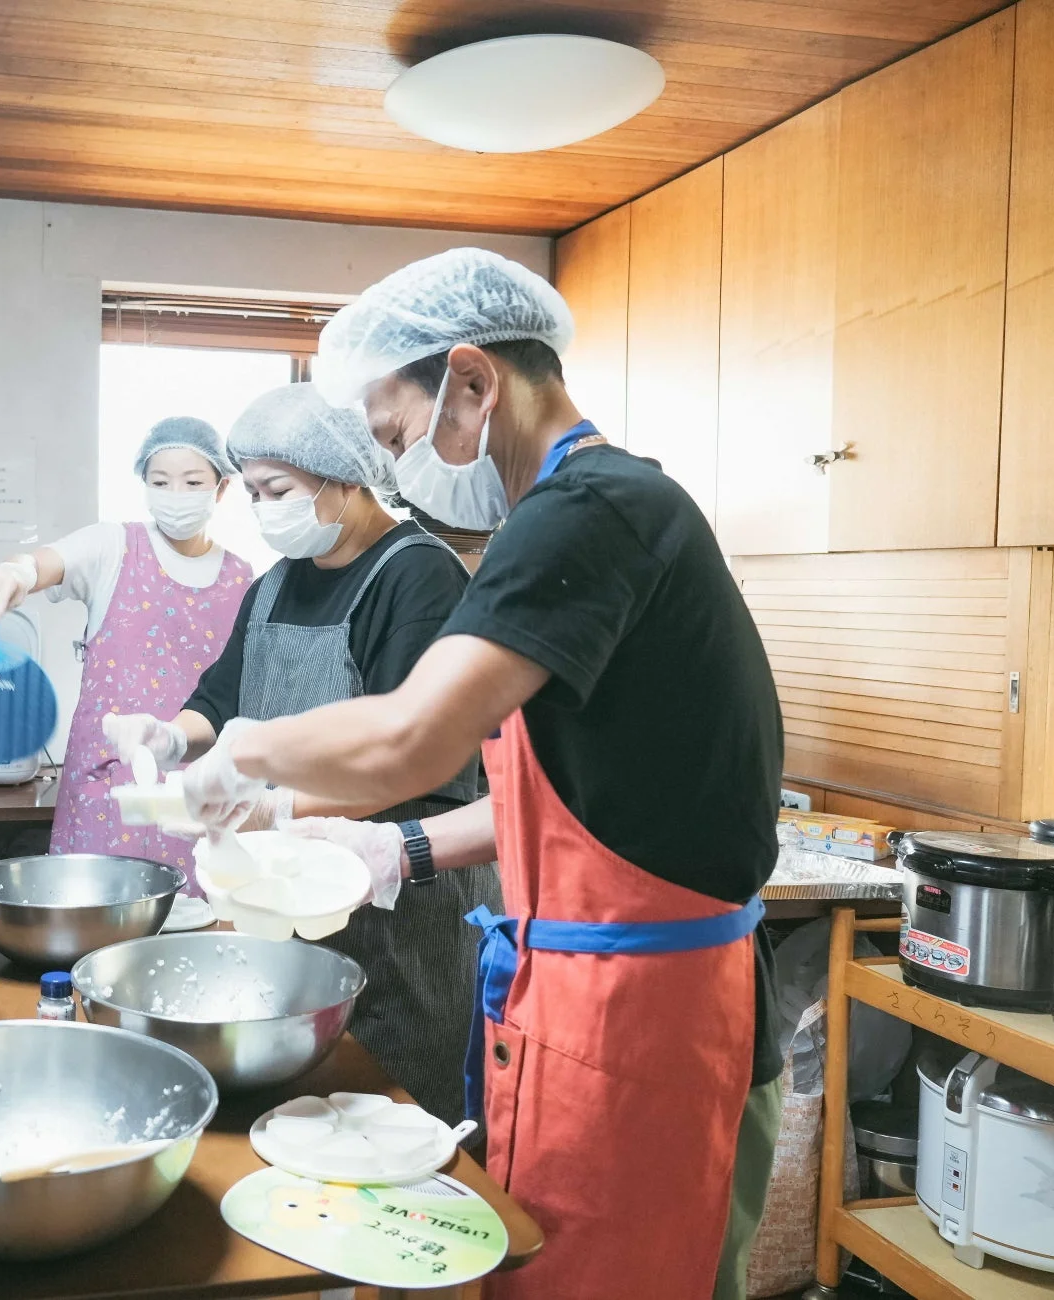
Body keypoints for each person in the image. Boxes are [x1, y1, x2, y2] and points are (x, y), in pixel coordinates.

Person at [179, 249, 784, 1300]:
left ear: (471, 381)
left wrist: (244, 753)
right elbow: (567, 805)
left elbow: (419, 740)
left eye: (397, 431)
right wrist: (394, 845)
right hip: (586, 1000)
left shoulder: (594, 509)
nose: (399, 460)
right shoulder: (563, 518)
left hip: (652, 1024)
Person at [103, 383, 494, 1124]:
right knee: (307, 1113)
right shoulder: (277, 582)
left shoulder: (418, 576)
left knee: (397, 1111)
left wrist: (273, 805)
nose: (260, 509)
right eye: (249, 492)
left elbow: (407, 757)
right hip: (290, 899)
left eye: (274, 489)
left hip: (398, 907)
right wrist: (168, 734)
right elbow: (220, 701)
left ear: (342, 478)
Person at [0, 416, 251, 875]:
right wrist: (19, 571)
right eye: (161, 481)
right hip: (105, 788)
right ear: (144, 484)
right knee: (97, 922)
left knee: (191, 927)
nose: (176, 493)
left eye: (193, 482)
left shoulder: (243, 577)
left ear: (220, 489)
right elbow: (47, 561)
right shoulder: (115, 546)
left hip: (193, 795)